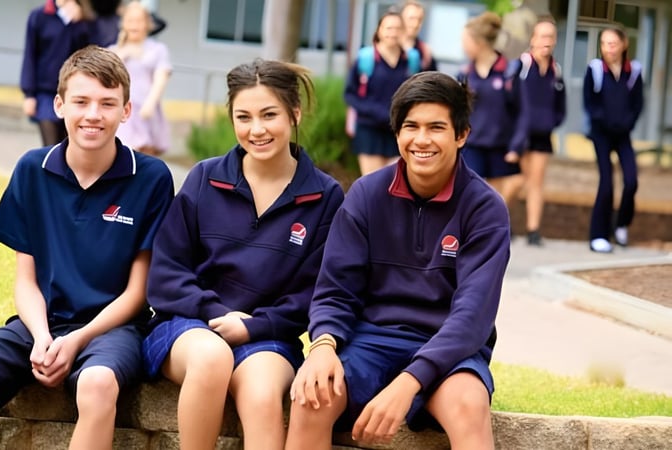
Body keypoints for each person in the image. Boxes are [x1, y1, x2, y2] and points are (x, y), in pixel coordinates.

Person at [0, 46, 174, 450]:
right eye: (81, 101)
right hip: (41, 323)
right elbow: (26, 280)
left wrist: (79, 339)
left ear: (126, 111)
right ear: (59, 105)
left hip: (114, 329)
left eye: (107, 103)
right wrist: (42, 337)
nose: (93, 115)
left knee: (98, 383)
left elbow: (138, 294)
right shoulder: (33, 169)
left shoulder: (151, 177)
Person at [286, 71, 510, 450]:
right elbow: (335, 290)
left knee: (469, 406)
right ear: (396, 133)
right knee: (312, 396)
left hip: (449, 350)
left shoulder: (485, 208)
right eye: (411, 126)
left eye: (436, 127)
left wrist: (408, 382)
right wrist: (323, 346)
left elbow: (472, 318)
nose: (422, 139)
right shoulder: (366, 195)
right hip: (369, 341)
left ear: (462, 135)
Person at [142, 59, 344, 450]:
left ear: (295, 113)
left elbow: (314, 293)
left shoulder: (325, 196)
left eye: (269, 115)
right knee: (211, 357)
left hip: (267, 336)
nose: (257, 129)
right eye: (243, 116)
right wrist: (217, 314)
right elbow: (167, 272)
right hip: (189, 326)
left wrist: (254, 327)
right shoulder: (204, 178)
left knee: (263, 391)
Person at [583, 26, 643, 253]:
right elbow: (590, 102)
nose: (608, 48)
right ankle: (598, 235)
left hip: (623, 134)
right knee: (606, 183)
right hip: (601, 134)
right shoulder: (595, 69)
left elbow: (638, 104)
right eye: (604, 43)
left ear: (623, 45)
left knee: (631, 180)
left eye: (613, 43)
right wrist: (604, 122)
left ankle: (621, 225)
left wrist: (626, 123)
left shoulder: (634, 71)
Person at [459, 12, 528, 206]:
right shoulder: (464, 74)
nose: (462, 46)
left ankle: (490, 225)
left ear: (479, 43)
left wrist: (517, 145)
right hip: (471, 145)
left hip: (500, 145)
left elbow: (523, 112)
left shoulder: (509, 72)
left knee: (494, 195)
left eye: (465, 41)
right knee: (471, 192)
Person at [517, 18, 566, 246]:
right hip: (519, 133)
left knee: (536, 182)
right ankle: (499, 225)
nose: (546, 41)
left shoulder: (556, 70)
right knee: (517, 180)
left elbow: (561, 103)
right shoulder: (522, 66)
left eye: (550, 37)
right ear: (533, 40)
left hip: (542, 134)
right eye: (542, 36)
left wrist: (552, 121)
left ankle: (533, 230)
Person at [345, 12, 412, 176]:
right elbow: (350, 94)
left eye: (397, 28)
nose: (393, 33)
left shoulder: (410, 61)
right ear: (379, 31)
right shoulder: (366, 59)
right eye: (388, 28)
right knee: (373, 183)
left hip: (398, 130)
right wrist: (375, 111)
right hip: (369, 129)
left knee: (396, 181)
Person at [20, 0, 90, 147]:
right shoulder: (39, 16)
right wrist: (29, 95)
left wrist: (77, 22)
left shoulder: (84, 18)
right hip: (45, 94)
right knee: (50, 146)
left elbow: (87, 54)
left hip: (74, 93)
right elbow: (30, 55)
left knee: (71, 146)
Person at [110, 1, 172, 156]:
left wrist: (150, 103)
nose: (134, 25)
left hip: (146, 108)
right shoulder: (113, 50)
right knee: (122, 151)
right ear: (123, 23)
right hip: (122, 109)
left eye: (138, 21)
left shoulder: (157, 50)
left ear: (147, 24)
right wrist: (122, 52)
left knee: (145, 154)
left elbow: (161, 77)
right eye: (130, 21)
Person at [399, 1, 436, 72]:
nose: (415, 24)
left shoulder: (425, 52)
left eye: (419, 20)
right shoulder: (389, 47)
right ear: (400, 19)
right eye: (411, 18)